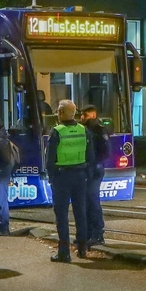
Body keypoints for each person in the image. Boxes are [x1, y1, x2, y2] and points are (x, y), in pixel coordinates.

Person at [45, 99, 95, 262]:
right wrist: (87, 173)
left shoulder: (56, 131)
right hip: (80, 176)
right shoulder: (83, 130)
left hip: (61, 177)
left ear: (61, 113)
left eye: (59, 110)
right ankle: (82, 249)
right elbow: (91, 156)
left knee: (62, 215)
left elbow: (50, 158)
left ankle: (64, 252)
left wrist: (51, 177)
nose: (58, 113)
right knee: (80, 213)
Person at [80, 105, 109, 247]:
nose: (81, 118)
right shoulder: (87, 129)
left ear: (92, 115)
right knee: (86, 201)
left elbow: (105, 151)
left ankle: (97, 234)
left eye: (84, 115)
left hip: (94, 170)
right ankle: (88, 234)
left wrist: (95, 164)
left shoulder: (98, 129)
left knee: (92, 201)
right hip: (87, 169)